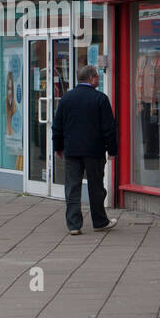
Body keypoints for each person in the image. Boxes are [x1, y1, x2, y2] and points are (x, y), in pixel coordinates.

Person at [52, 63, 118, 235]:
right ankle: (99, 221)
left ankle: (74, 225)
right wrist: (112, 151)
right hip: (94, 151)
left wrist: (58, 147)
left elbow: (57, 125)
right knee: (96, 187)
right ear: (91, 78)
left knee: (72, 187)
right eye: (96, 76)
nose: (98, 78)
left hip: (72, 150)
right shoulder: (100, 99)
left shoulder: (67, 98)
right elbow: (109, 128)